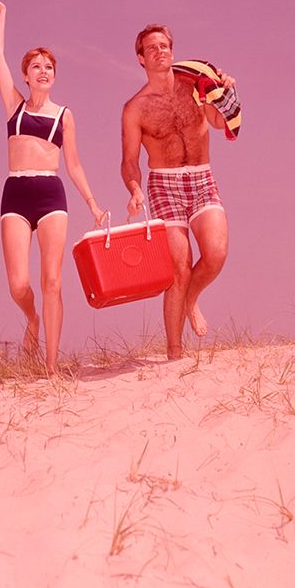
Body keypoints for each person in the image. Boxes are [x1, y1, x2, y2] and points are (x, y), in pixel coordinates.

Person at [0, 0, 106, 375]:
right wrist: (2, 10)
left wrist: (92, 204)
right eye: (36, 66)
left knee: (52, 280)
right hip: (15, 193)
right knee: (19, 285)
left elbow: (75, 166)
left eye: (49, 67)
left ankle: (50, 366)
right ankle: (32, 319)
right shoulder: (13, 105)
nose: (43, 71)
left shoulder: (64, 115)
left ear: (54, 75)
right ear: (27, 75)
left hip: (52, 195)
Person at [121, 24, 233, 360]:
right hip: (163, 184)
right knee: (178, 269)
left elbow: (216, 120)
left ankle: (190, 300)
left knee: (215, 253)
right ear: (141, 58)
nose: (160, 51)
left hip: (202, 178)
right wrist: (134, 188)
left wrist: (222, 91)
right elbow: (129, 160)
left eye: (164, 46)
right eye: (151, 48)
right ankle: (174, 352)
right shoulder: (135, 108)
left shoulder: (194, 86)